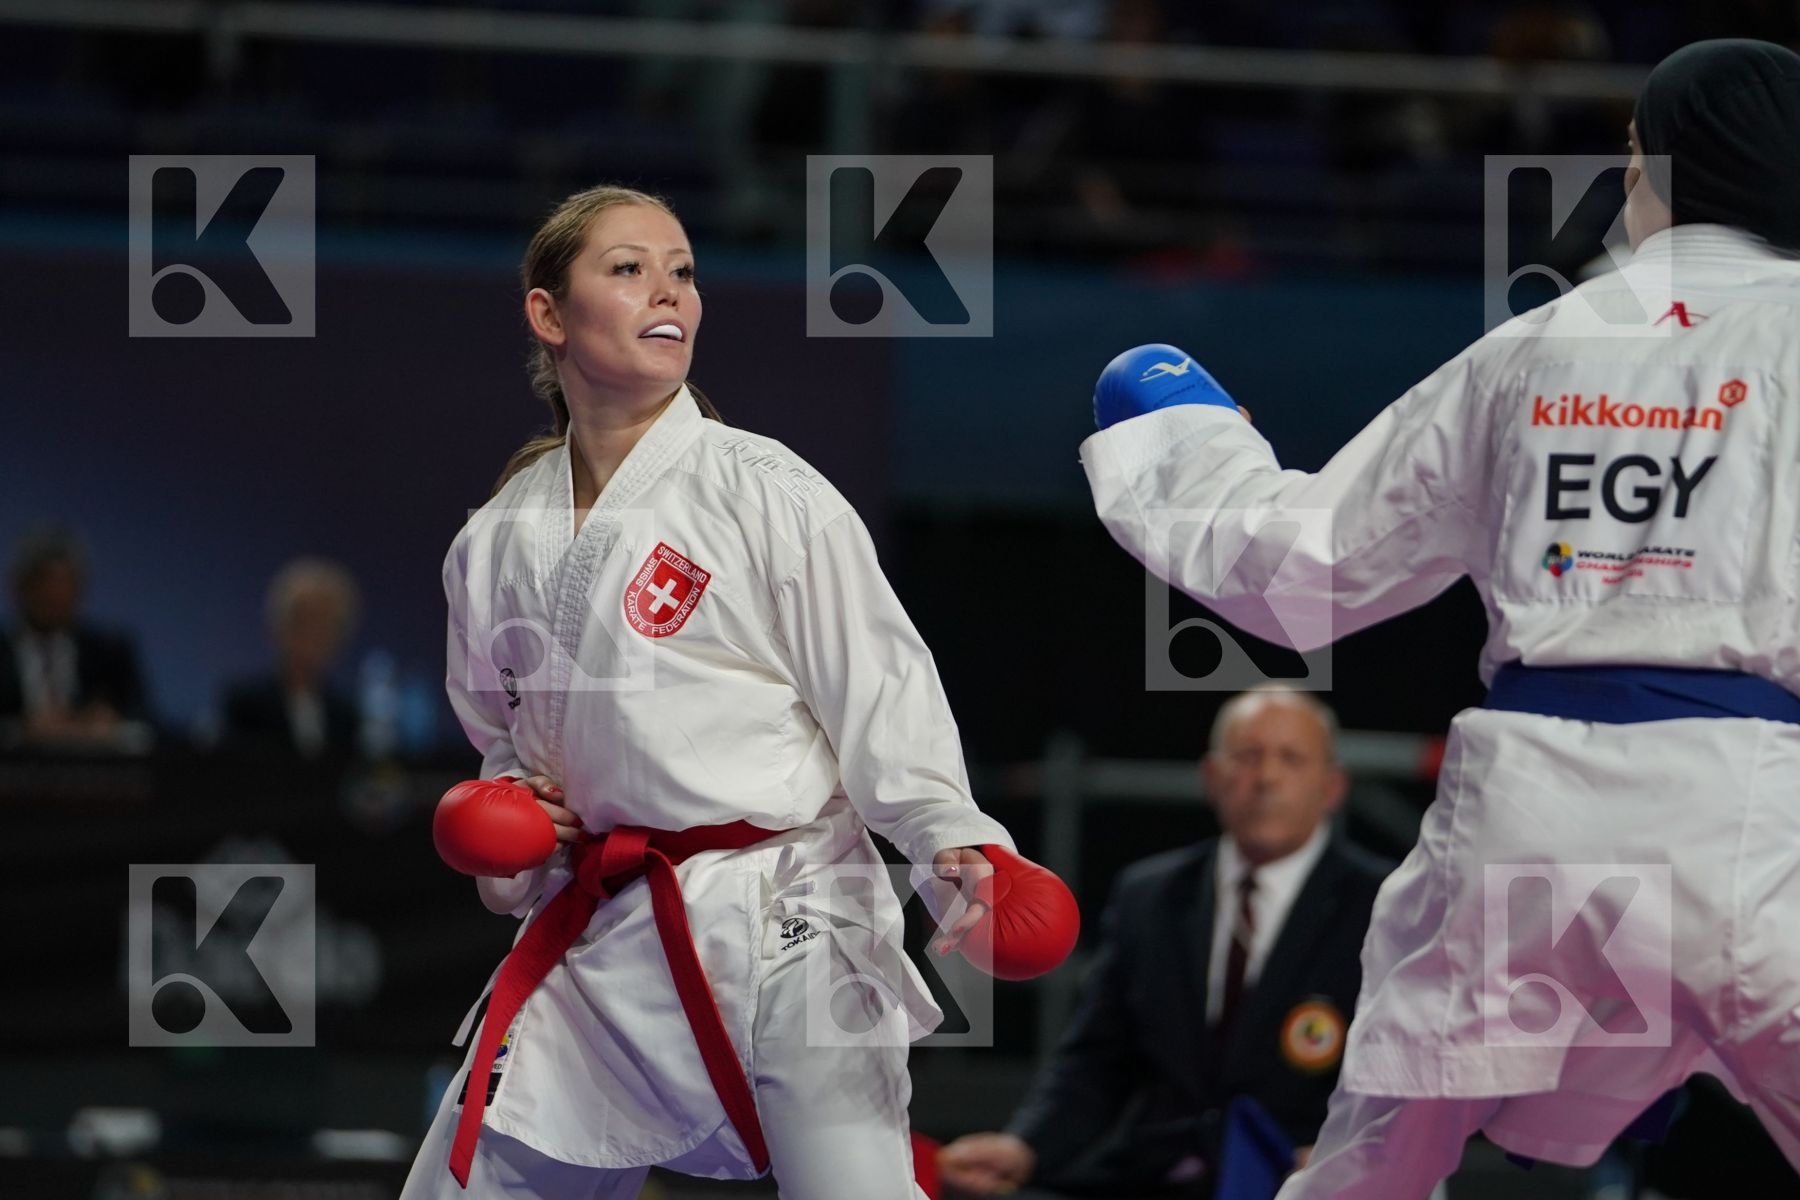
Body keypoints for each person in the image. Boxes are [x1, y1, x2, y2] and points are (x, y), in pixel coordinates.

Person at [1078, 37, 1800, 1200]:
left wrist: (1179, 436)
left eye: (1631, 157)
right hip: (1758, 826)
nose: (1623, 184)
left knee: (1369, 1173)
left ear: (1671, 166)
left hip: (1526, 830)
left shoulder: (1538, 344)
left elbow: (1309, 567)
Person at [401, 184, 1076, 1200]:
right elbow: (511, 749)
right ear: (549, 314)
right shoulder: (491, 542)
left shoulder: (766, 491)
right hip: (604, 930)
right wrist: (513, 825)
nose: (668, 291)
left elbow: (882, 689)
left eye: (682, 270)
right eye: (627, 269)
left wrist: (956, 848)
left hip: (789, 915)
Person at [939, 687, 1388, 1198]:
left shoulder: (1383, 906)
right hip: (1150, 1176)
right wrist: (1025, 1147)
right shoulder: (1148, 895)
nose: (1266, 778)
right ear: (1212, 777)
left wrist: (1353, 1154)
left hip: (1302, 1181)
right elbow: (1096, 1061)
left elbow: (1400, 1071)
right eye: (1247, 756)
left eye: (1291, 759)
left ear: (1332, 786)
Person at [0, 525, 152, 751]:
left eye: (66, 584)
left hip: (100, 779)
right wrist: (23, 729)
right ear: (20, 587)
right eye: (45, 583)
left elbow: (148, 724)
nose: (56, 595)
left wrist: (113, 725)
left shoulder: (110, 651)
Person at [220, 557, 362, 760]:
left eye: (326, 626)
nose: (313, 637)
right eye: (304, 622)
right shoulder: (245, 705)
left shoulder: (347, 717)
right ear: (278, 628)